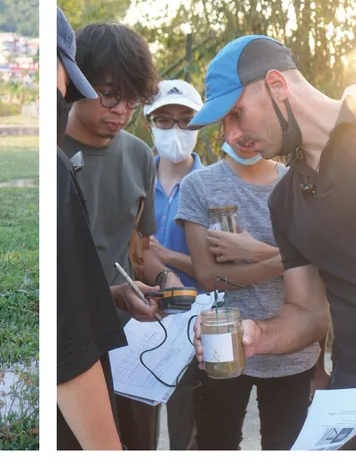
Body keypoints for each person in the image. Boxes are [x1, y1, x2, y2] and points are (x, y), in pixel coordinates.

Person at [188, 35, 356, 449]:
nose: (231, 136)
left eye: (236, 114)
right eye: (223, 124)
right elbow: (308, 311)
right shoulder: (284, 201)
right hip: (352, 401)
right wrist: (256, 334)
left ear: (277, 86)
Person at [58, 21, 183, 451]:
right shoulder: (54, 154)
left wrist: (169, 284)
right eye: (109, 94)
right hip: (72, 342)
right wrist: (109, 293)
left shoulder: (137, 155)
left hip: (131, 342)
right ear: (75, 81)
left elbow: (142, 251)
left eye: (132, 99)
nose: (120, 110)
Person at [175, 126, 320, 449]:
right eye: (232, 118)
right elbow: (209, 276)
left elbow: (322, 272)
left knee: (288, 447)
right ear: (221, 123)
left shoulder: (300, 182)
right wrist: (283, 262)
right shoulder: (199, 185)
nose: (244, 131)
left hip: (292, 349)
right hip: (220, 346)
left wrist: (252, 251)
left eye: (251, 118)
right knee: (217, 444)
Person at [143, 79, 205, 450]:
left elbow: (220, 269)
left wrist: (165, 256)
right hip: (142, 319)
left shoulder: (212, 184)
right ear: (149, 122)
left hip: (195, 326)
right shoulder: (135, 178)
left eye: (186, 120)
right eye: (164, 120)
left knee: (188, 433)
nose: (175, 130)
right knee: (136, 429)